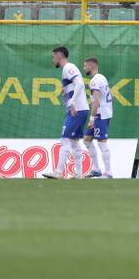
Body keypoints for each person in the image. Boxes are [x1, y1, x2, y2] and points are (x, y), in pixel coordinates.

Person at [43, 47, 90, 180]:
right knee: (74, 141)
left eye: (53, 57)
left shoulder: (68, 67)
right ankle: (79, 173)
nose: (52, 60)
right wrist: (68, 99)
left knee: (65, 139)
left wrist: (72, 103)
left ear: (59, 56)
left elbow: (80, 84)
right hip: (80, 109)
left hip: (78, 109)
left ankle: (58, 172)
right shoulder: (67, 69)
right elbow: (74, 87)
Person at [82, 58, 113, 179]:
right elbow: (111, 94)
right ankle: (96, 169)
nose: (84, 68)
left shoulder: (94, 81)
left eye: (85, 66)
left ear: (91, 66)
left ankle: (108, 173)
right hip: (105, 112)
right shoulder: (102, 77)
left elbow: (95, 101)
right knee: (87, 140)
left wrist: (92, 118)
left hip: (100, 115)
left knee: (102, 143)